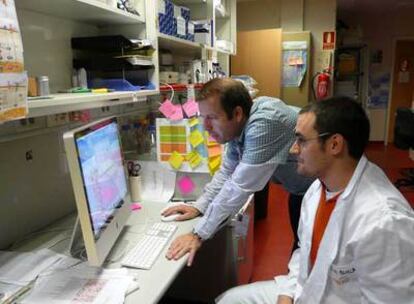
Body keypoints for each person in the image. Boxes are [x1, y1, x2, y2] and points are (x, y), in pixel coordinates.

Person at [216, 96, 414, 304]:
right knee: (229, 299)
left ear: (334, 144)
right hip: (306, 291)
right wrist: (287, 294)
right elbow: (304, 251)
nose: (293, 149)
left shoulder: (384, 221)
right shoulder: (317, 189)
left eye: (301, 140)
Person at [163, 78, 313, 266]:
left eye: (212, 118)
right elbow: (227, 172)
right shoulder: (239, 126)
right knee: (301, 253)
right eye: (203, 118)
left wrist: (198, 234)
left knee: (309, 259)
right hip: (300, 190)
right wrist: (199, 206)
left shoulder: (264, 123)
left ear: (237, 113)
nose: (205, 126)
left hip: (325, 190)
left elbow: (239, 186)